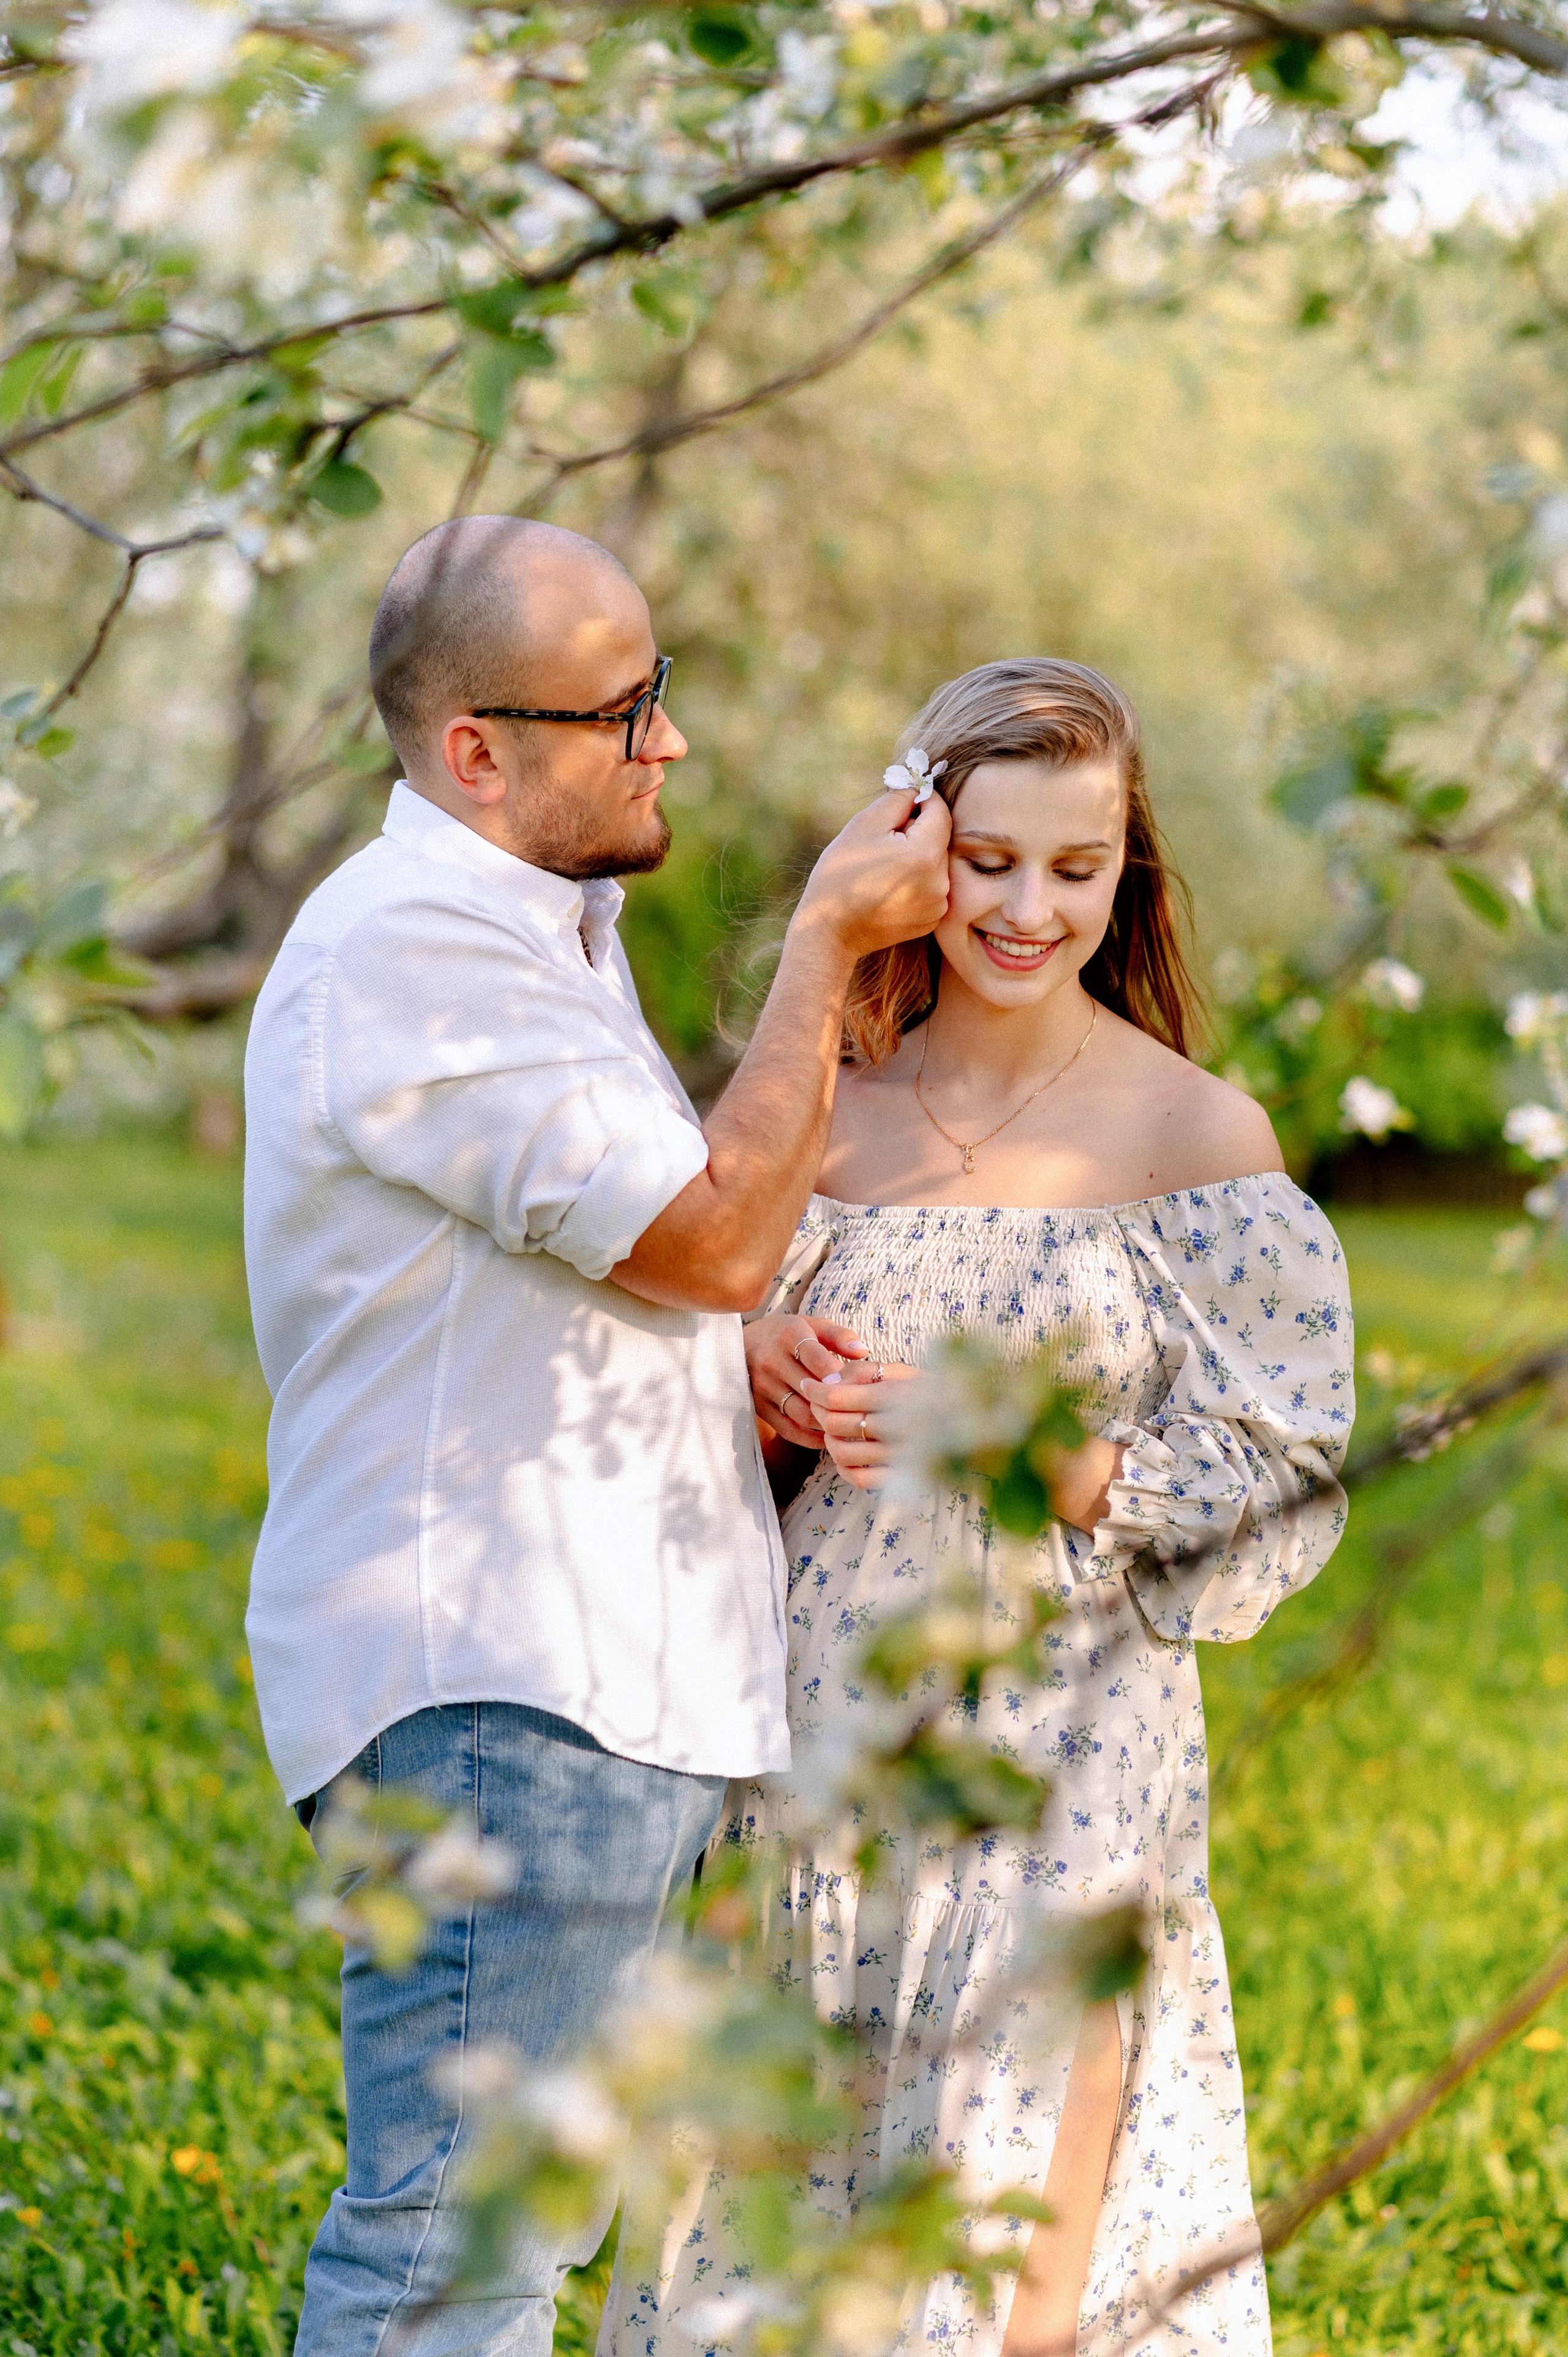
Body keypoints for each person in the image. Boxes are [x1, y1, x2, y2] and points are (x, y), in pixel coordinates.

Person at [240, 515, 950, 2356]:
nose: (673, 744)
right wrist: (822, 943)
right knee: (453, 2262)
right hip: (503, 1694)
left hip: (577, 1690)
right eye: (627, 709)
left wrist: (742, 1356)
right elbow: (712, 1231)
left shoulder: (535, 938)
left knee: (504, 2255)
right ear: (478, 748)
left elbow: (616, 1273)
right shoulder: (415, 952)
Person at [599, 658, 1354, 2357]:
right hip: (810, 1765)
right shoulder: (823, 1121)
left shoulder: (1194, 1139)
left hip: (1061, 1788)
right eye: (987, 860)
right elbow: (683, 1447)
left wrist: (1015, 1443)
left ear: (1127, 872)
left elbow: (1285, 1500)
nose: (1026, 908)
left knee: (1011, 2284)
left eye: (1074, 869)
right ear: (912, 842)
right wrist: (753, 1377)